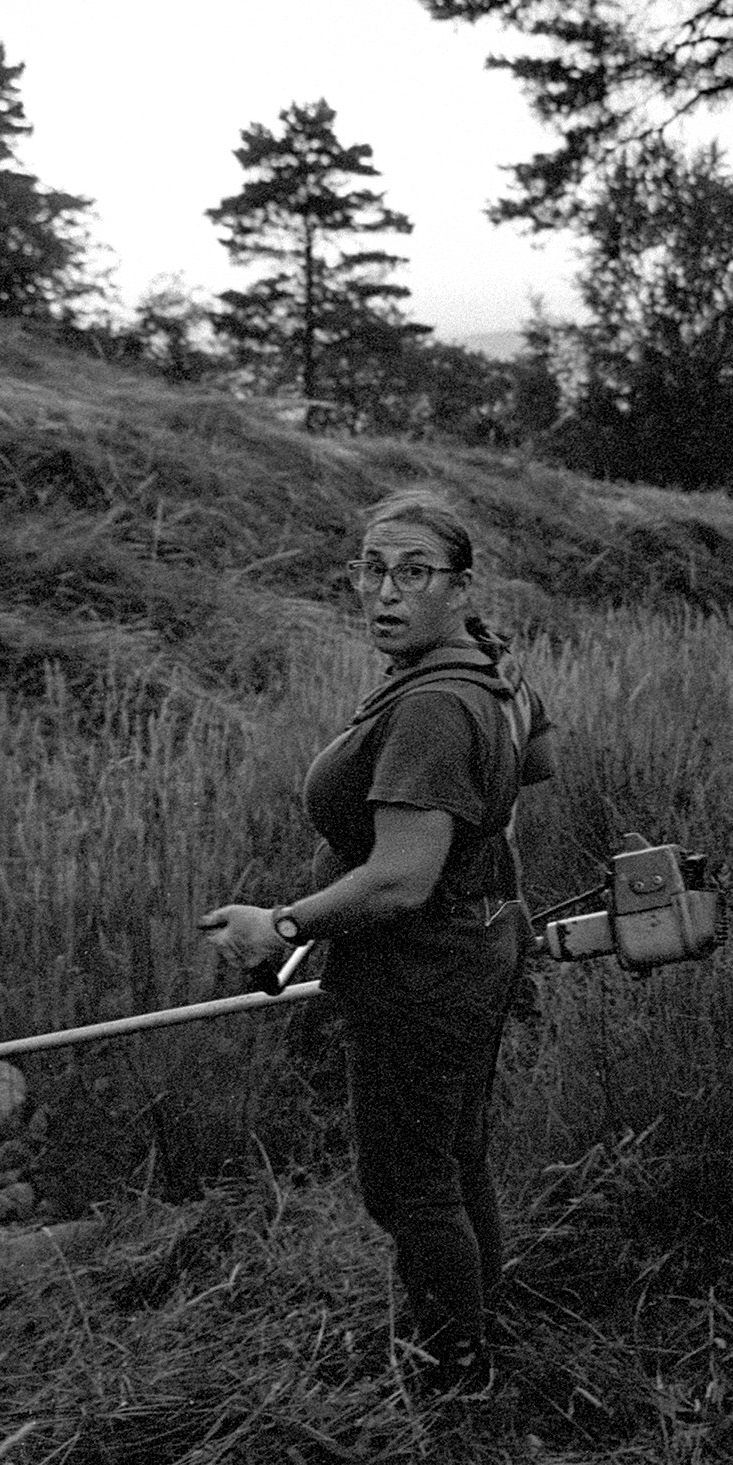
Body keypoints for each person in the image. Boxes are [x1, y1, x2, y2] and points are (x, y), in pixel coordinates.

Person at [200, 490, 557, 1399]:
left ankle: (450, 1373)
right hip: (475, 948)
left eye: (413, 573)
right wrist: (486, 870)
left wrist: (279, 925)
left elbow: (402, 877)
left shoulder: (435, 706)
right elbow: (534, 767)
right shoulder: (489, 669)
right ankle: (475, 1324)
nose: (383, 593)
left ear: (461, 585)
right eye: (370, 569)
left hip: (423, 970)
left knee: (406, 1189)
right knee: (454, 1157)